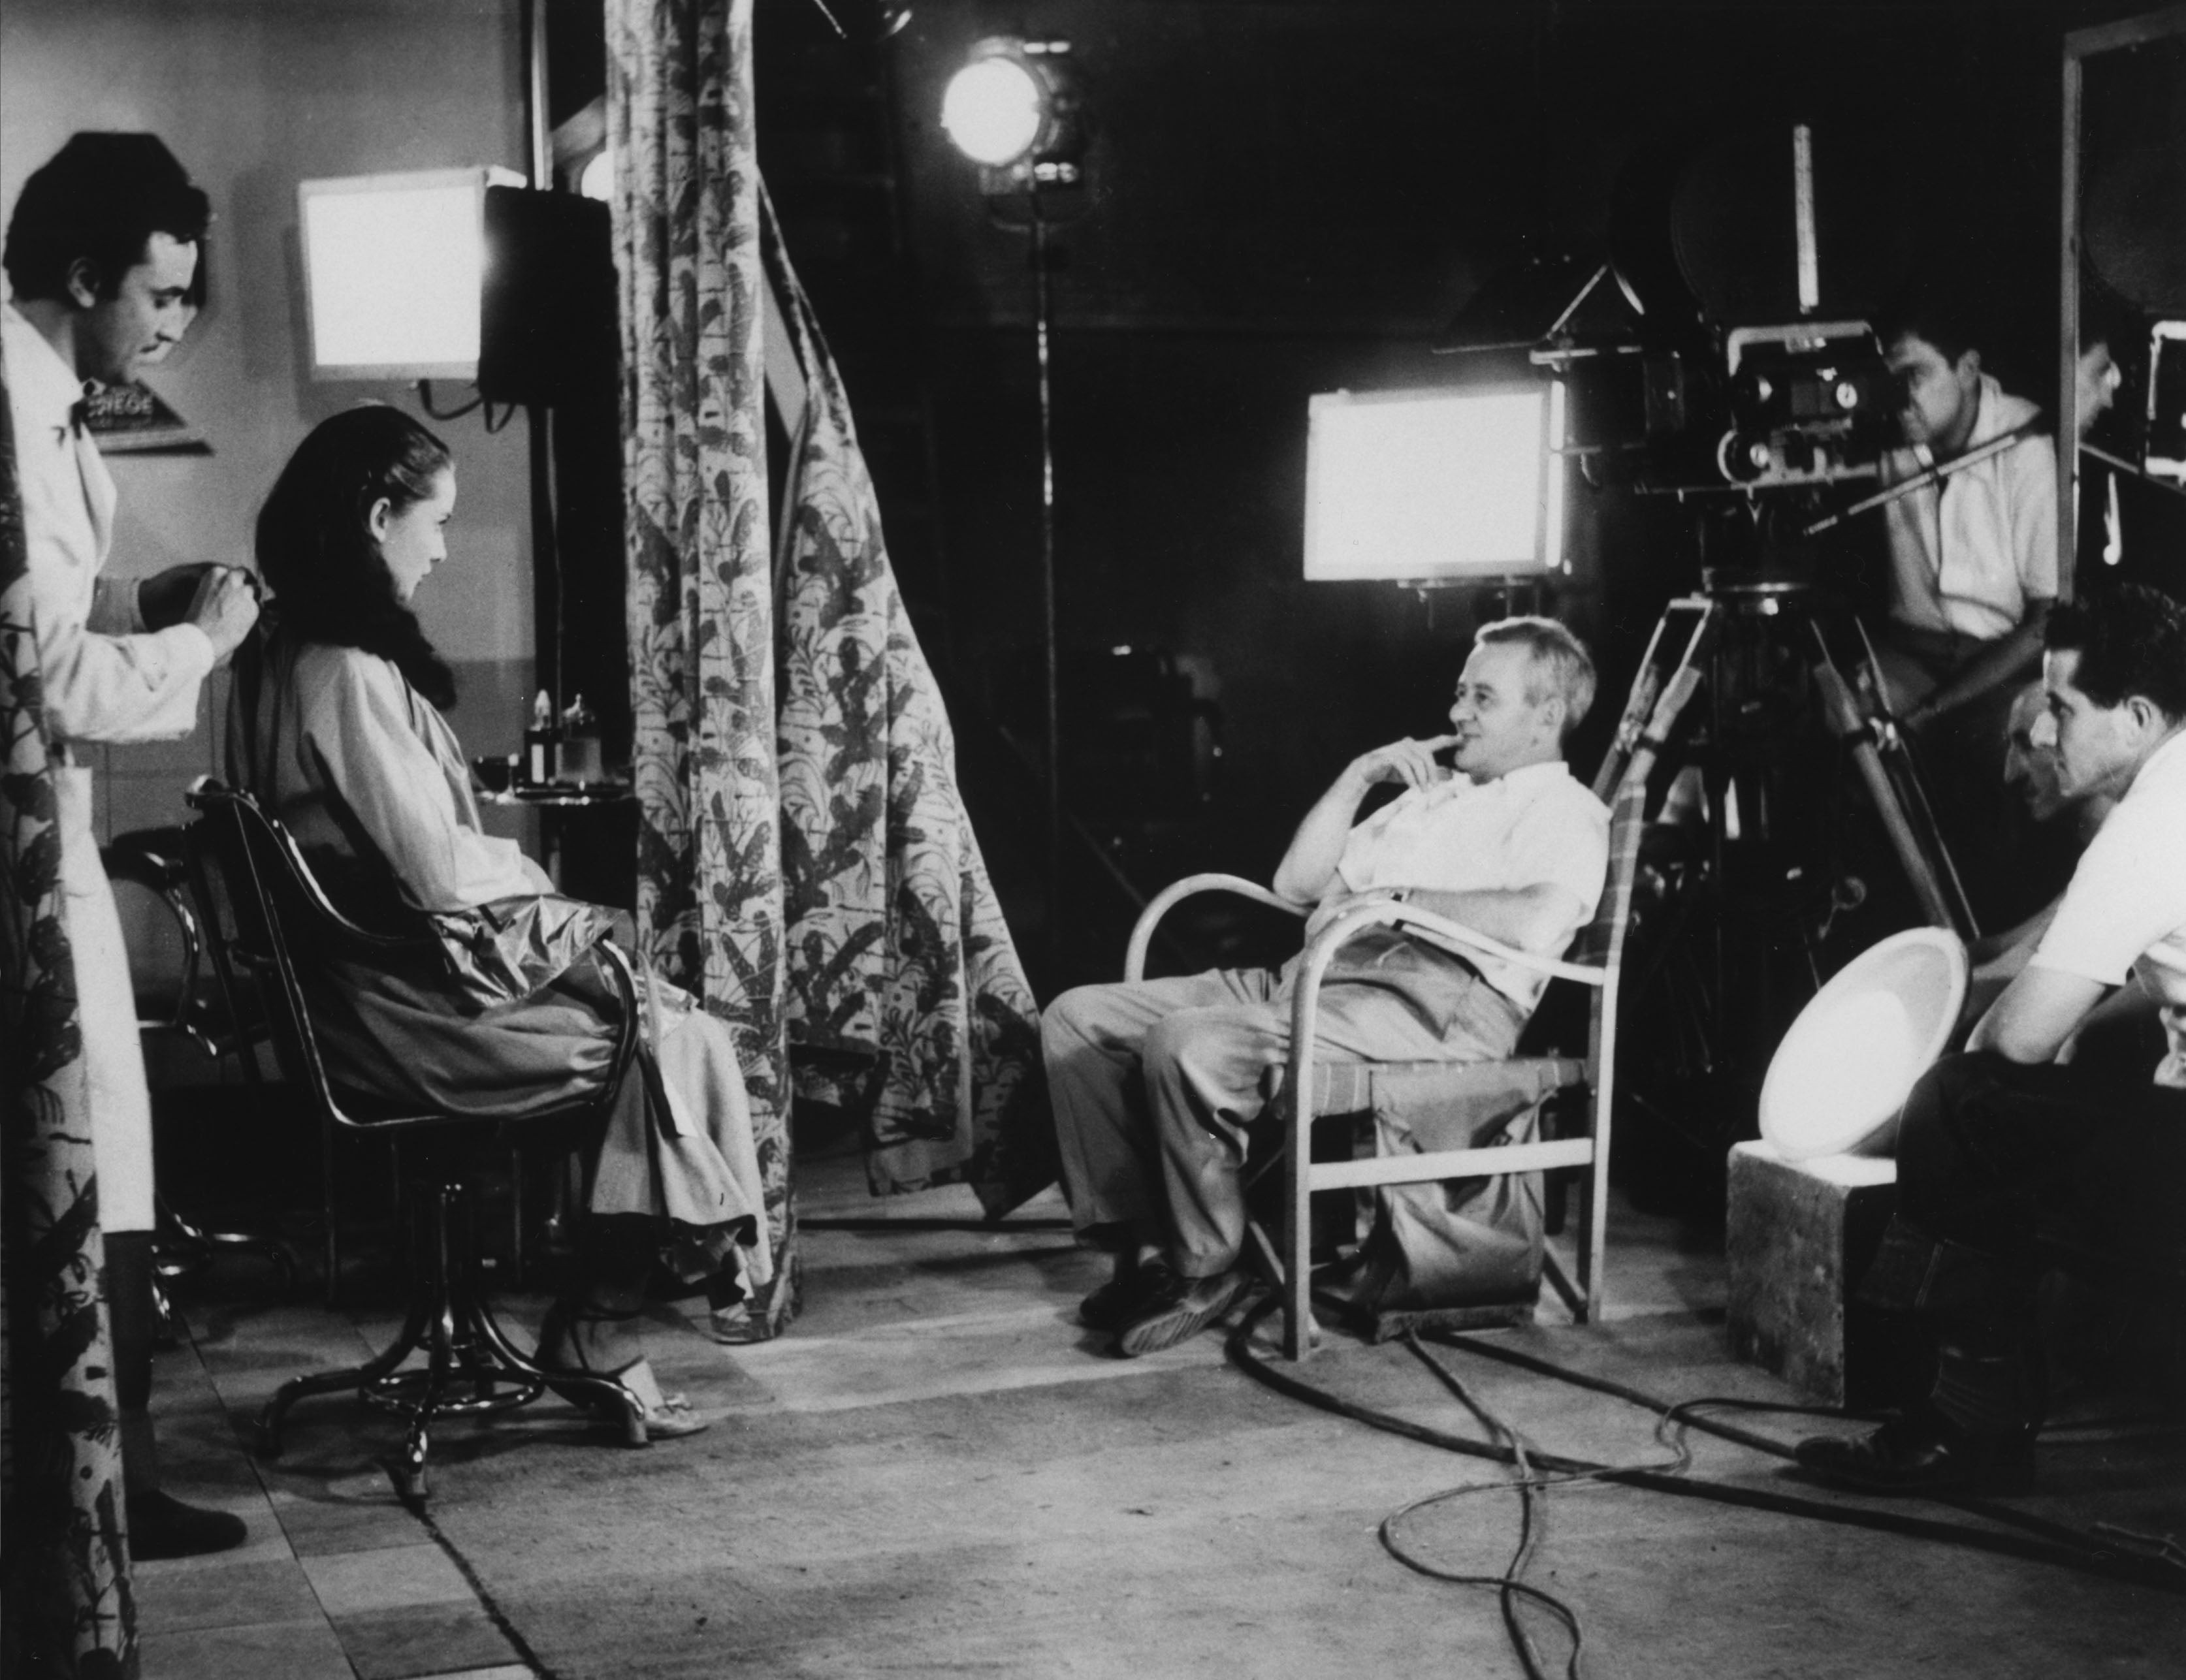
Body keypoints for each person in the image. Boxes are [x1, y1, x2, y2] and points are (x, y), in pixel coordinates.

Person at [231, 405, 773, 1436]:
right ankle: (600, 1324)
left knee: (652, 1014)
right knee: (663, 1042)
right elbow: (434, 874)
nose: (439, 550)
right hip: (396, 1017)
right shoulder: (341, 672)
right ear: (378, 516)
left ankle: (599, 1317)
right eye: (432, 523)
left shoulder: (270, 658)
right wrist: (572, 918)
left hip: (349, 999)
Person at [1042, 618, 1609, 1356]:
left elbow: (1537, 920)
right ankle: (1163, 1247)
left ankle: (1209, 1263)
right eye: (1458, 693)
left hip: (1430, 1001)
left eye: (1481, 697)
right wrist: (1359, 777)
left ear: (1544, 715)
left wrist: (1399, 900)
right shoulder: (1429, 798)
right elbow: (1298, 884)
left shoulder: (1564, 810)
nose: (1455, 713)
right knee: (1076, 1021)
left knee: (1188, 1044)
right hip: (1320, 976)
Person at [3, 133, 262, 1559]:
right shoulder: (10, 407)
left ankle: (109, 1466)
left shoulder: (51, 411)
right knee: (79, 1153)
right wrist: (197, 642)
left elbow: (41, 616)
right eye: (158, 290)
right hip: (29, 842)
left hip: (57, 830)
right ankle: (90, 1479)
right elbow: (46, 680)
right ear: (86, 273)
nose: (173, 319)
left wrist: (137, 598)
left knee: (106, 1154)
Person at [1799, 582, 2186, 1493]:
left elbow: (2008, 1044)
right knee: (2078, 1062)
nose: (2041, 736)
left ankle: (1968, 1426)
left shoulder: (2147, 827)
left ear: (2132, 718)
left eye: (2058, 707)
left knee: (1958, 1103)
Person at [1867, 290, 2059, 928]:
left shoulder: (2025, 441)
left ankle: (1993, 945)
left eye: (1913, 375)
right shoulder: (1883, 429)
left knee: (2014, 762)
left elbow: (2044, 620)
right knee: (1850, 735)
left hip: (1998, 662)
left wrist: (1932, 710)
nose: (1898, 397)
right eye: (1886, 378)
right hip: (1907, 653)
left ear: (1967, 370)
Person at [1959, 680, 2117, 1022]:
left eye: (2027, 745)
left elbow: (2022, 962)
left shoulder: (2128, 853)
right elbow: (2004, 947)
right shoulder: (2104, 851)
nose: (2010, 773)